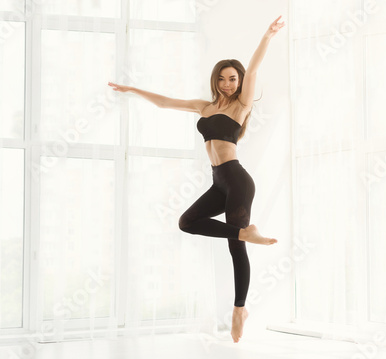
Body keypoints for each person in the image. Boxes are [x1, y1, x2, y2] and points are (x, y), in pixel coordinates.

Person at [108, 15, 285, 343]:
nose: (228, 84)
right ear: (215, 82)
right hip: (219, 180)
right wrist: (130, 89)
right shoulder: (204, 107)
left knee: (236, 248)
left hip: (237, 179)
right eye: (222, 79)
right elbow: (164, 102)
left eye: (233, 79)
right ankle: (246, 232)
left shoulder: (241, 106)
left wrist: (268, 36)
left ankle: (239, 308)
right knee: (187, 221)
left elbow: (255, 68)